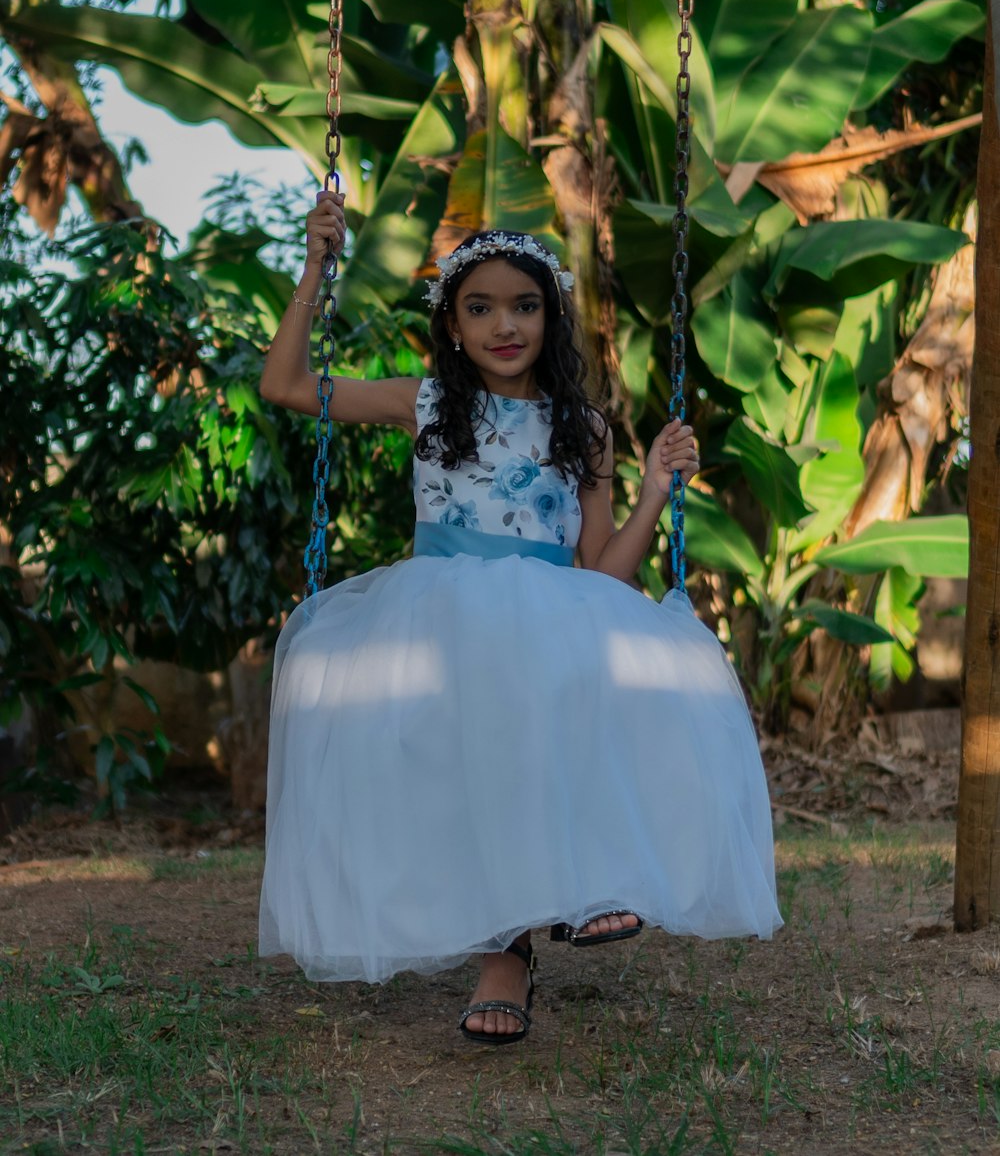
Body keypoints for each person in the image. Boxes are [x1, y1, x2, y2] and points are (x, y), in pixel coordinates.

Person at [258, 189, 782, 1046]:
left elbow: (605, 574)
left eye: (526, 305)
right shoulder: (422, 402)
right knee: (484, 741)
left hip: (551, 610)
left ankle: (588, 887)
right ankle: (509, 949)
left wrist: (653, 491)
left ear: (552, 315)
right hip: (440, 613)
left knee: (601, 684)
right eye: (482, 307)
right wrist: (318, 266)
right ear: (452, 325)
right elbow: (283, 384)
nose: (506, 325)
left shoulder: (583, 427)